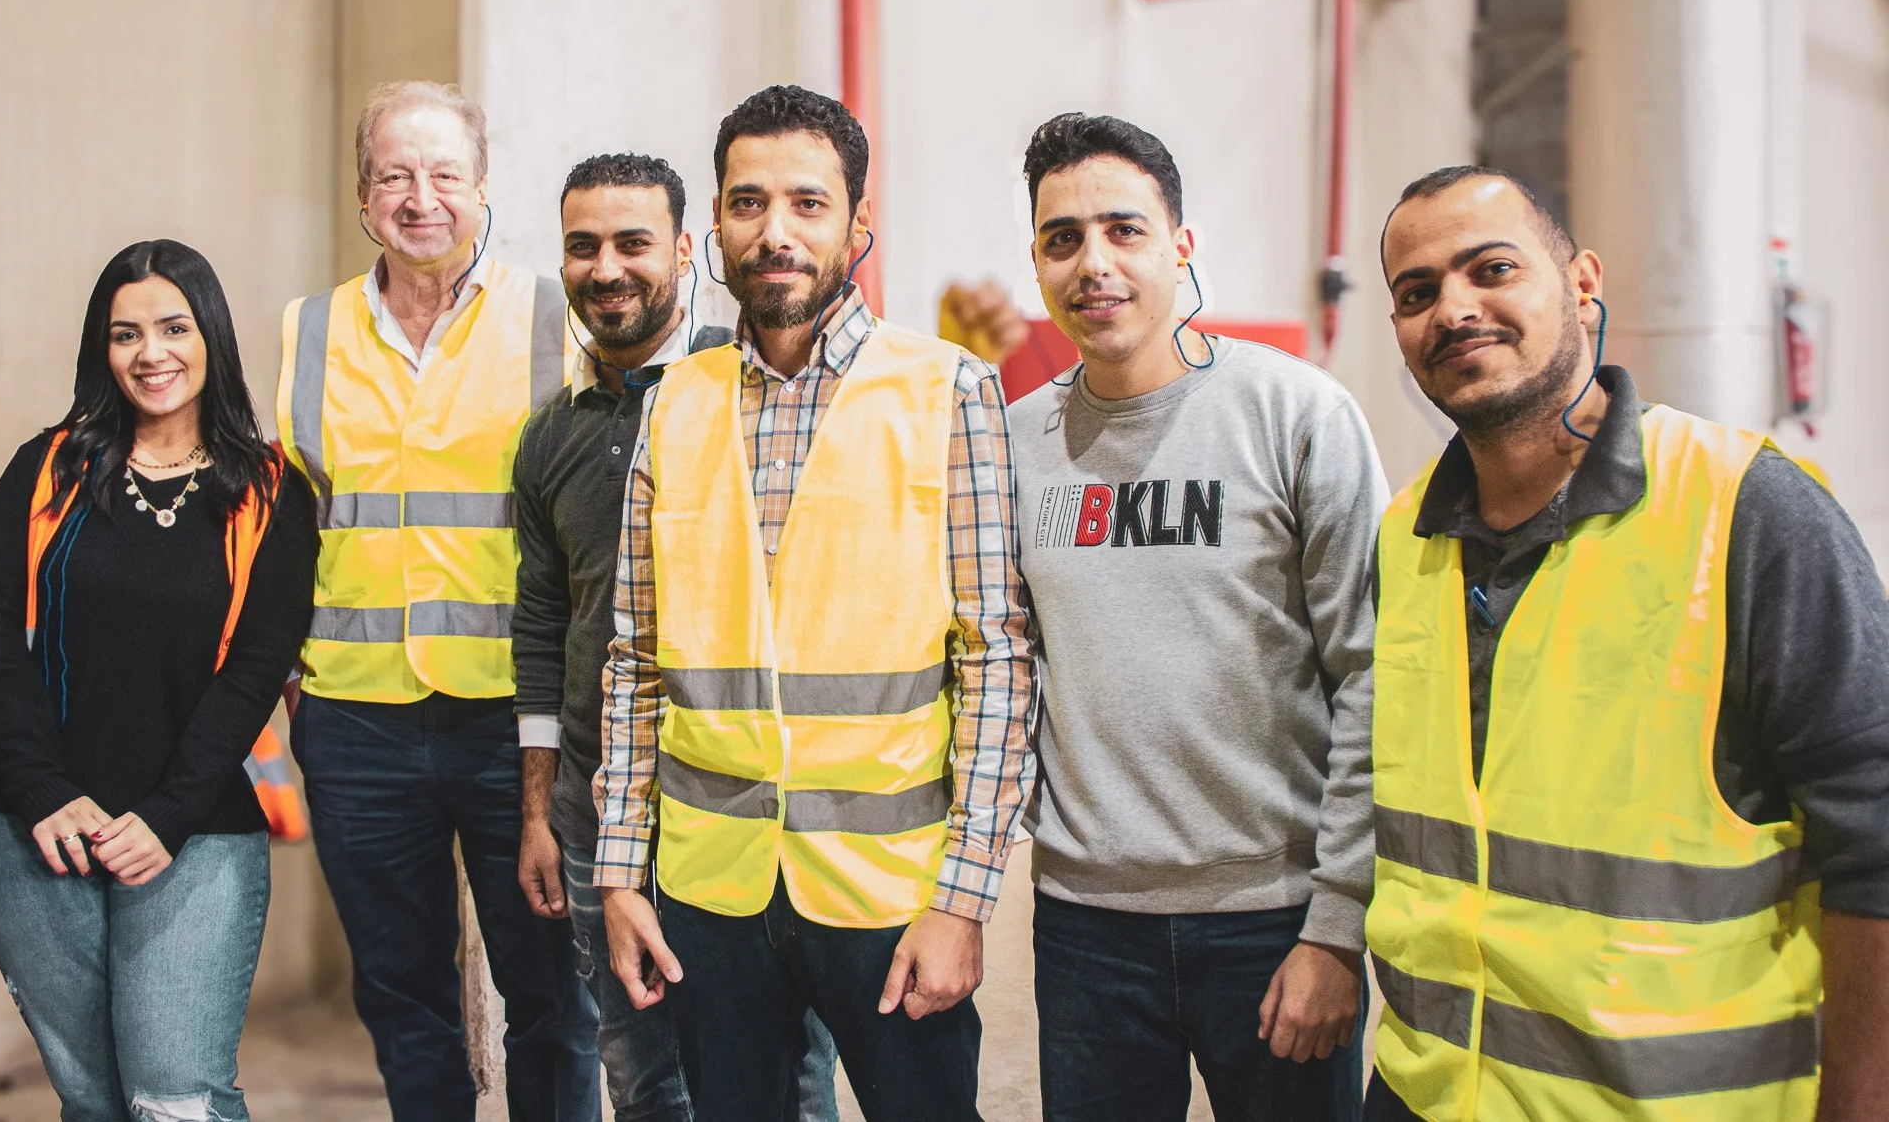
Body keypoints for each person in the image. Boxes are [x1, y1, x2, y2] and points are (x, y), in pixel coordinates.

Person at [1363, 165, 1889, 1121]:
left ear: (1581, 283)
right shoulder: (1405, 540)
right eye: (1417, 292)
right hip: (1425, 1093)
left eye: (1491, 268)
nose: (1454, 308)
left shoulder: (1751, 510)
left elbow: (1877, 842)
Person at [595, 85, 1035, 1122]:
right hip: (710, 888)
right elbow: (634, 653)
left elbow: (997, 657)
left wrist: (962, 899)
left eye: (806, 203)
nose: (774, 232)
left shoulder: (948, 392)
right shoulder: (675, 404)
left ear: (858, 226)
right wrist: (622, 875)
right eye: (747, 204)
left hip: (888, 894)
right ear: (716, 227)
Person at [1009, 113, 1379, 1121]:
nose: (1093, 263)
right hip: (1084, 927)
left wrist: (1334, 931)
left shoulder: (1296, 414)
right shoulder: (1012, 442)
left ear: (1180, 244)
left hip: (1271, 921)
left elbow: (1373, 674)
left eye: (1123, 230)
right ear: (1036, 263)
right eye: (1061, 239)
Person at [276, 80, 595, 1120]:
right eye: (395, 176)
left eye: (443, 174)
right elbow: (280, 524)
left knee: (549, 996)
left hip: (516, 728)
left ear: (482, 187)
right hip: (355, 722)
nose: (421, 198)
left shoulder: (555, 317)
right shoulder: (305, 332)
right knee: (403, 998)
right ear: (363, 195)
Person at [0, 239, 317, 1122]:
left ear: (211, 336)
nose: (151, 353)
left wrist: (166, 813)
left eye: (173, 327)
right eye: (125, 334)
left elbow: (255, 669)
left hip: (193, 832)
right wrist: (44, 793)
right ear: (100, 348)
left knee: (178, 1099)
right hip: (25, 826)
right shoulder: (49, 467)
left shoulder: (271, 489)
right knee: (96, 1099)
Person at [510, 151, 840, 1120]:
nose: (605, 267)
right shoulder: (550, 435)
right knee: (645, 1082)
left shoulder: (748, 400)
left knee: (783, 1080)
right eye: (582, 246)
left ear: (686, 251)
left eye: (632, 242)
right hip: (589, 810)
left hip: (731, 810)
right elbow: (540, 627)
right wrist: (537, 811)